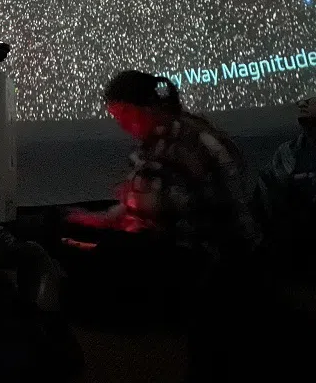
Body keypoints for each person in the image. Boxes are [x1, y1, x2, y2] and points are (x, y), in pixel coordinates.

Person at [62, 70, 266, 382]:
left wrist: (140, 216)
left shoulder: (197, 144)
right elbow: (138, 205)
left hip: (210, 257)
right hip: (173, 245)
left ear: (146, 107)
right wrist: (93, 219)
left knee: (111, 259)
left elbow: (217, 213)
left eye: (123, 114)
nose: (121, 124)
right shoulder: (150, 147)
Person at [254, 95, 316, 263]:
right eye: (300, 101)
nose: (301, 103)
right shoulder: (286, 152)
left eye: (309, 100)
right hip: (296, 251)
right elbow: (265, 195)